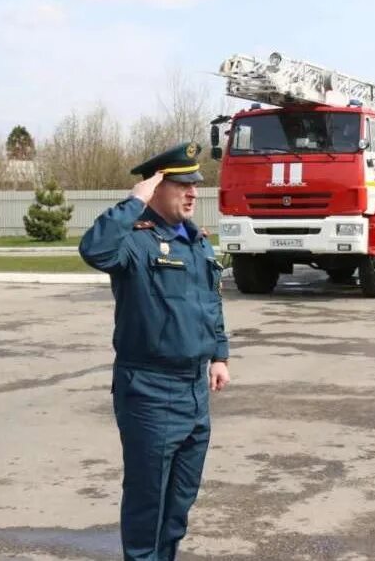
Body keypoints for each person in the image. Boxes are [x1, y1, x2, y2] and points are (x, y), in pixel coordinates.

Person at [79, 141, 232, 561]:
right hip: (149, 388)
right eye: (181, 184)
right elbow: (94, 249)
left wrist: (219, 355)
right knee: (149, 504)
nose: (193, 192)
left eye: (195, 184)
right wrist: (133, 202)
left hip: (194, 389)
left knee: (180, 503)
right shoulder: (136, 243)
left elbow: (211, 302)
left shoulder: (197, 242)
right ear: (156, 188)